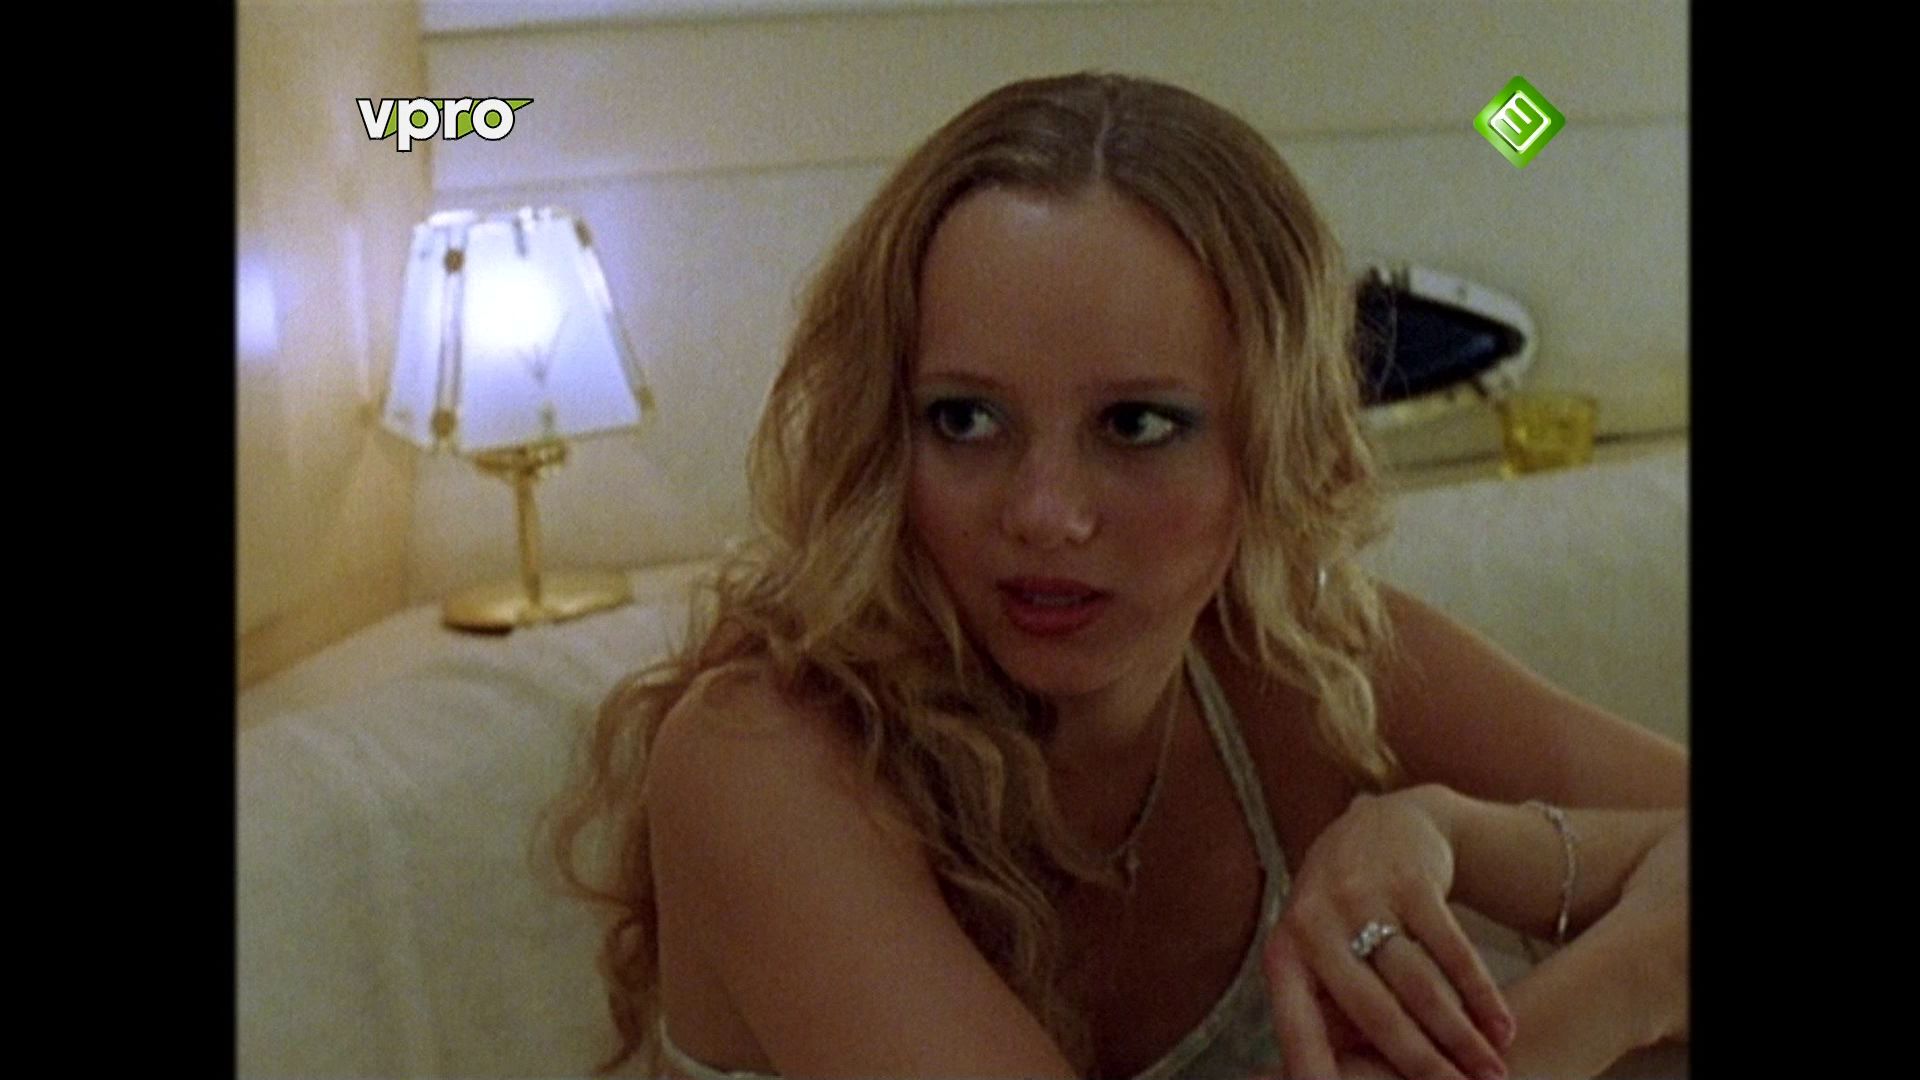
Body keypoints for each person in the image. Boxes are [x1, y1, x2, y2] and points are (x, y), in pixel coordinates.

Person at [548, 71, 1687, 1080]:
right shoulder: (765, 756)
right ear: (888, 437)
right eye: (966, 419)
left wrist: (1445, 830)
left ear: (1268, 444)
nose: (1046, 514)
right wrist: (1628, 984)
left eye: (1136, 424)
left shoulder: (1303, 667)